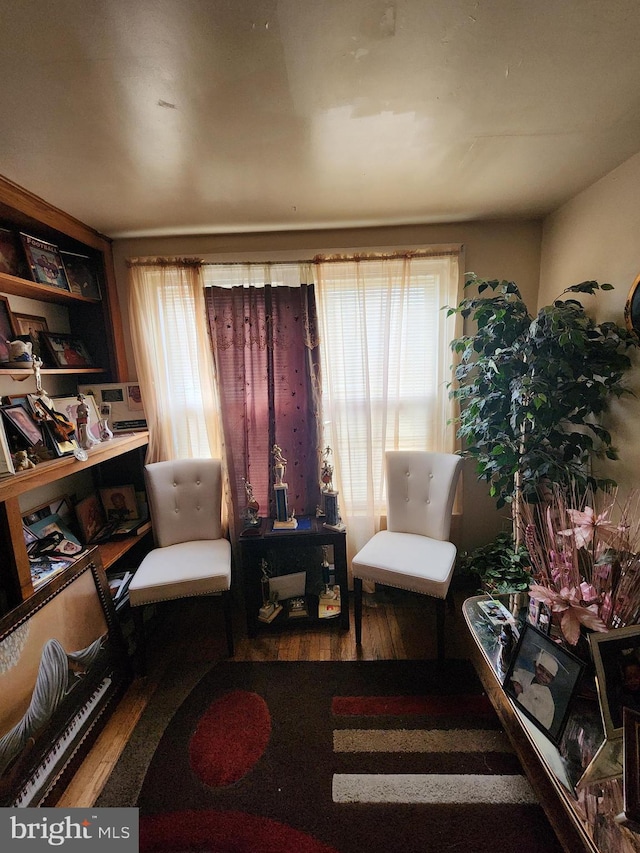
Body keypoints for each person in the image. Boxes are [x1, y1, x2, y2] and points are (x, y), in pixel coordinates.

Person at [510, 649, 559, 729]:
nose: (543, 676)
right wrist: (516, 682)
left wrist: (520, 693)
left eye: (548, 676)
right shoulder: (528, 676)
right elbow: (516, 675)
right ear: (535, 665)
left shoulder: (547, 699)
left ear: (551, 680)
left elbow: (533, 715)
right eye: (541, 670)